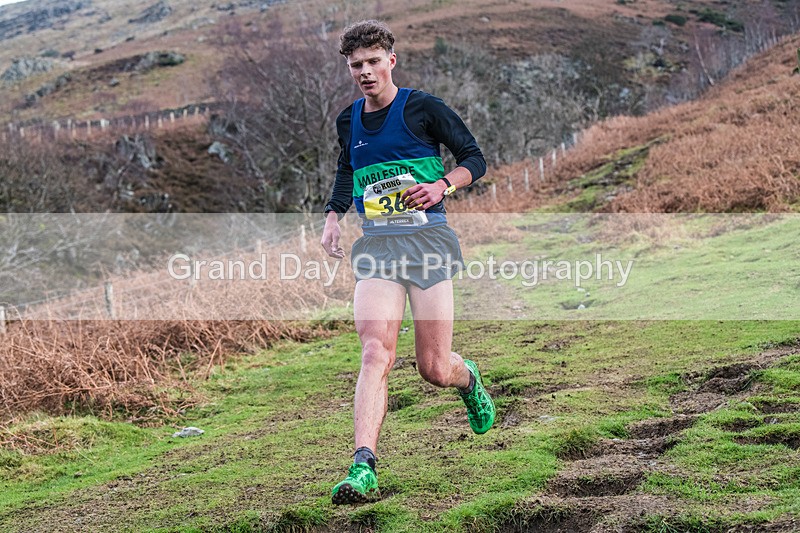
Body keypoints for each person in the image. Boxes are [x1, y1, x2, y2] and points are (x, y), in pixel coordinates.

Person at [321, 19, 495, 505]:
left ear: (390, 60)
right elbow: (346, 170)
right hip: (377, 246)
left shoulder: (423, 108)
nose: (365, 72)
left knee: (434, 368)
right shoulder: (347, 119)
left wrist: (443, 185)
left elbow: (474, 158)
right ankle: (363, 467)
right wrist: (333, 216)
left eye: (374, 61)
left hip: (428, 242)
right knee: (376, 352)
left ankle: (469, 378)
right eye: (356, 65)